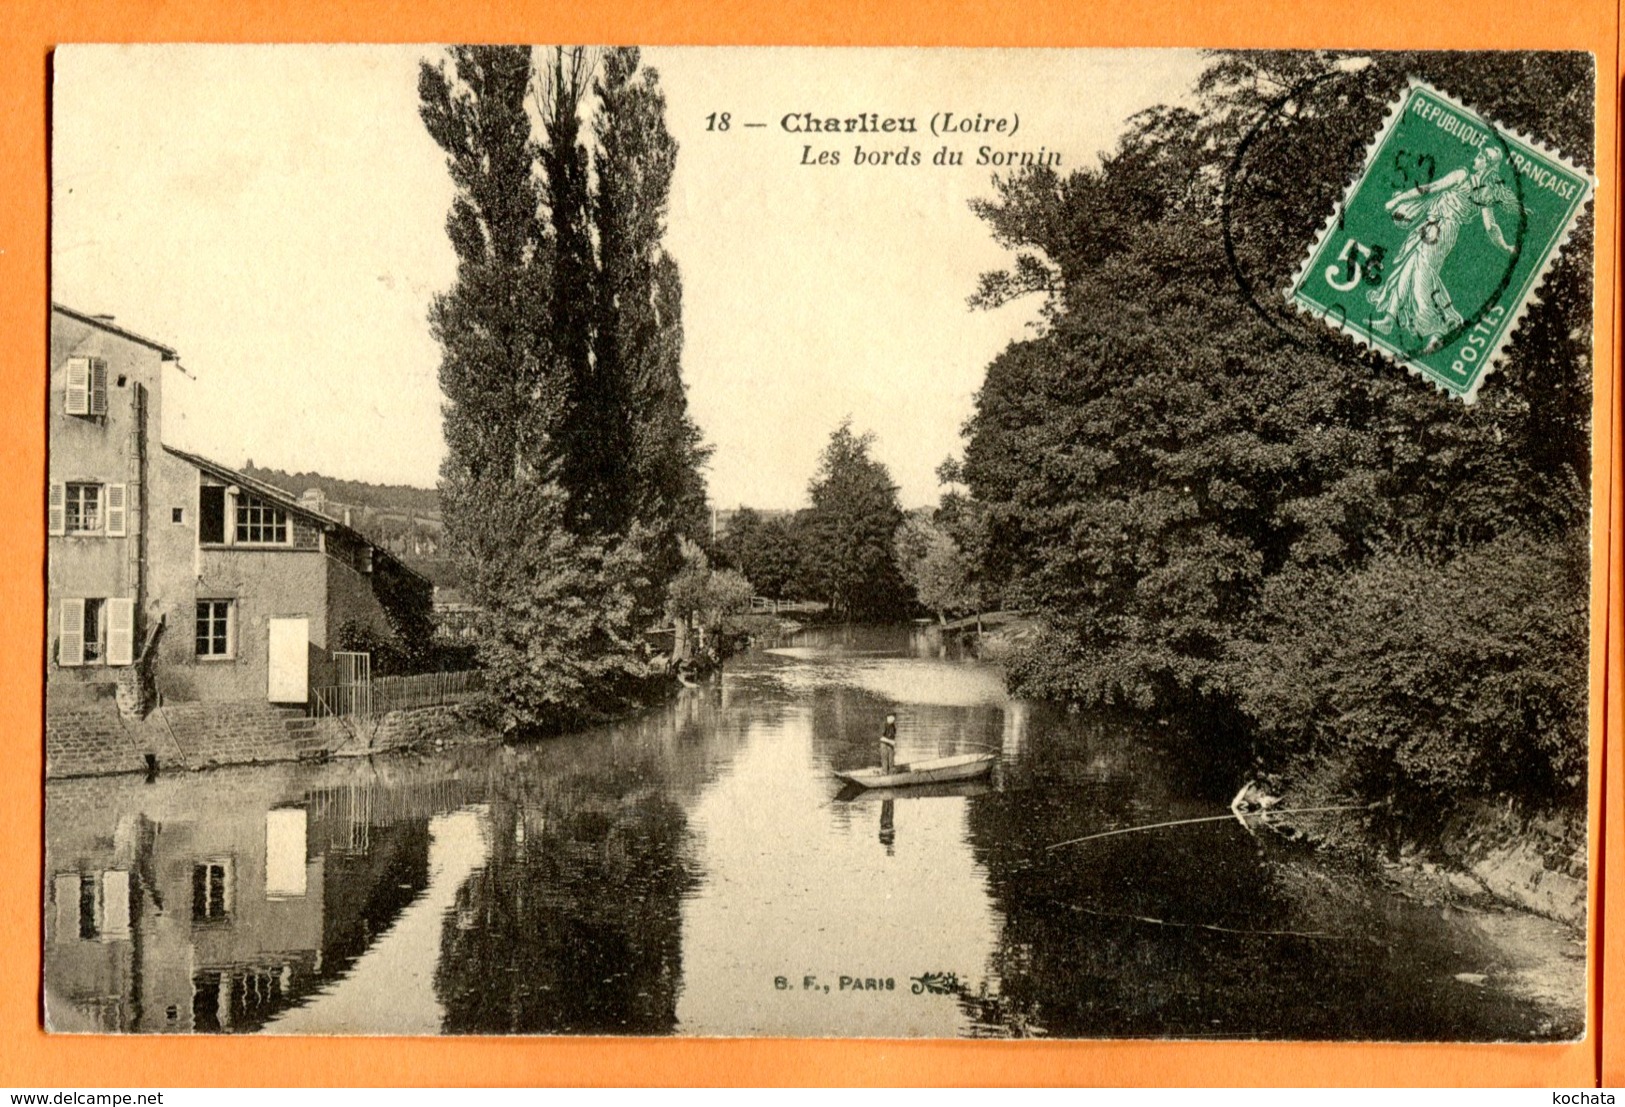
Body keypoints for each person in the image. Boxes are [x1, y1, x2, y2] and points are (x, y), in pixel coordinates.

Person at [1366, 145, 1519, 353]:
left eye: (1483, 157)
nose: (1478, 157)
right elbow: (1430, 189)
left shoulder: (1480, 189)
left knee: (1422, 277)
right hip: (1430, 225)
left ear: (1488, 166)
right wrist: (1399, 199)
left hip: (1443, 231)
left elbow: (1490, 225)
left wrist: (1504, 245)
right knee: (1408, 267)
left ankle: (1436, 330)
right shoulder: (1464, 176)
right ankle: (1389, 318)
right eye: (1480, 153)